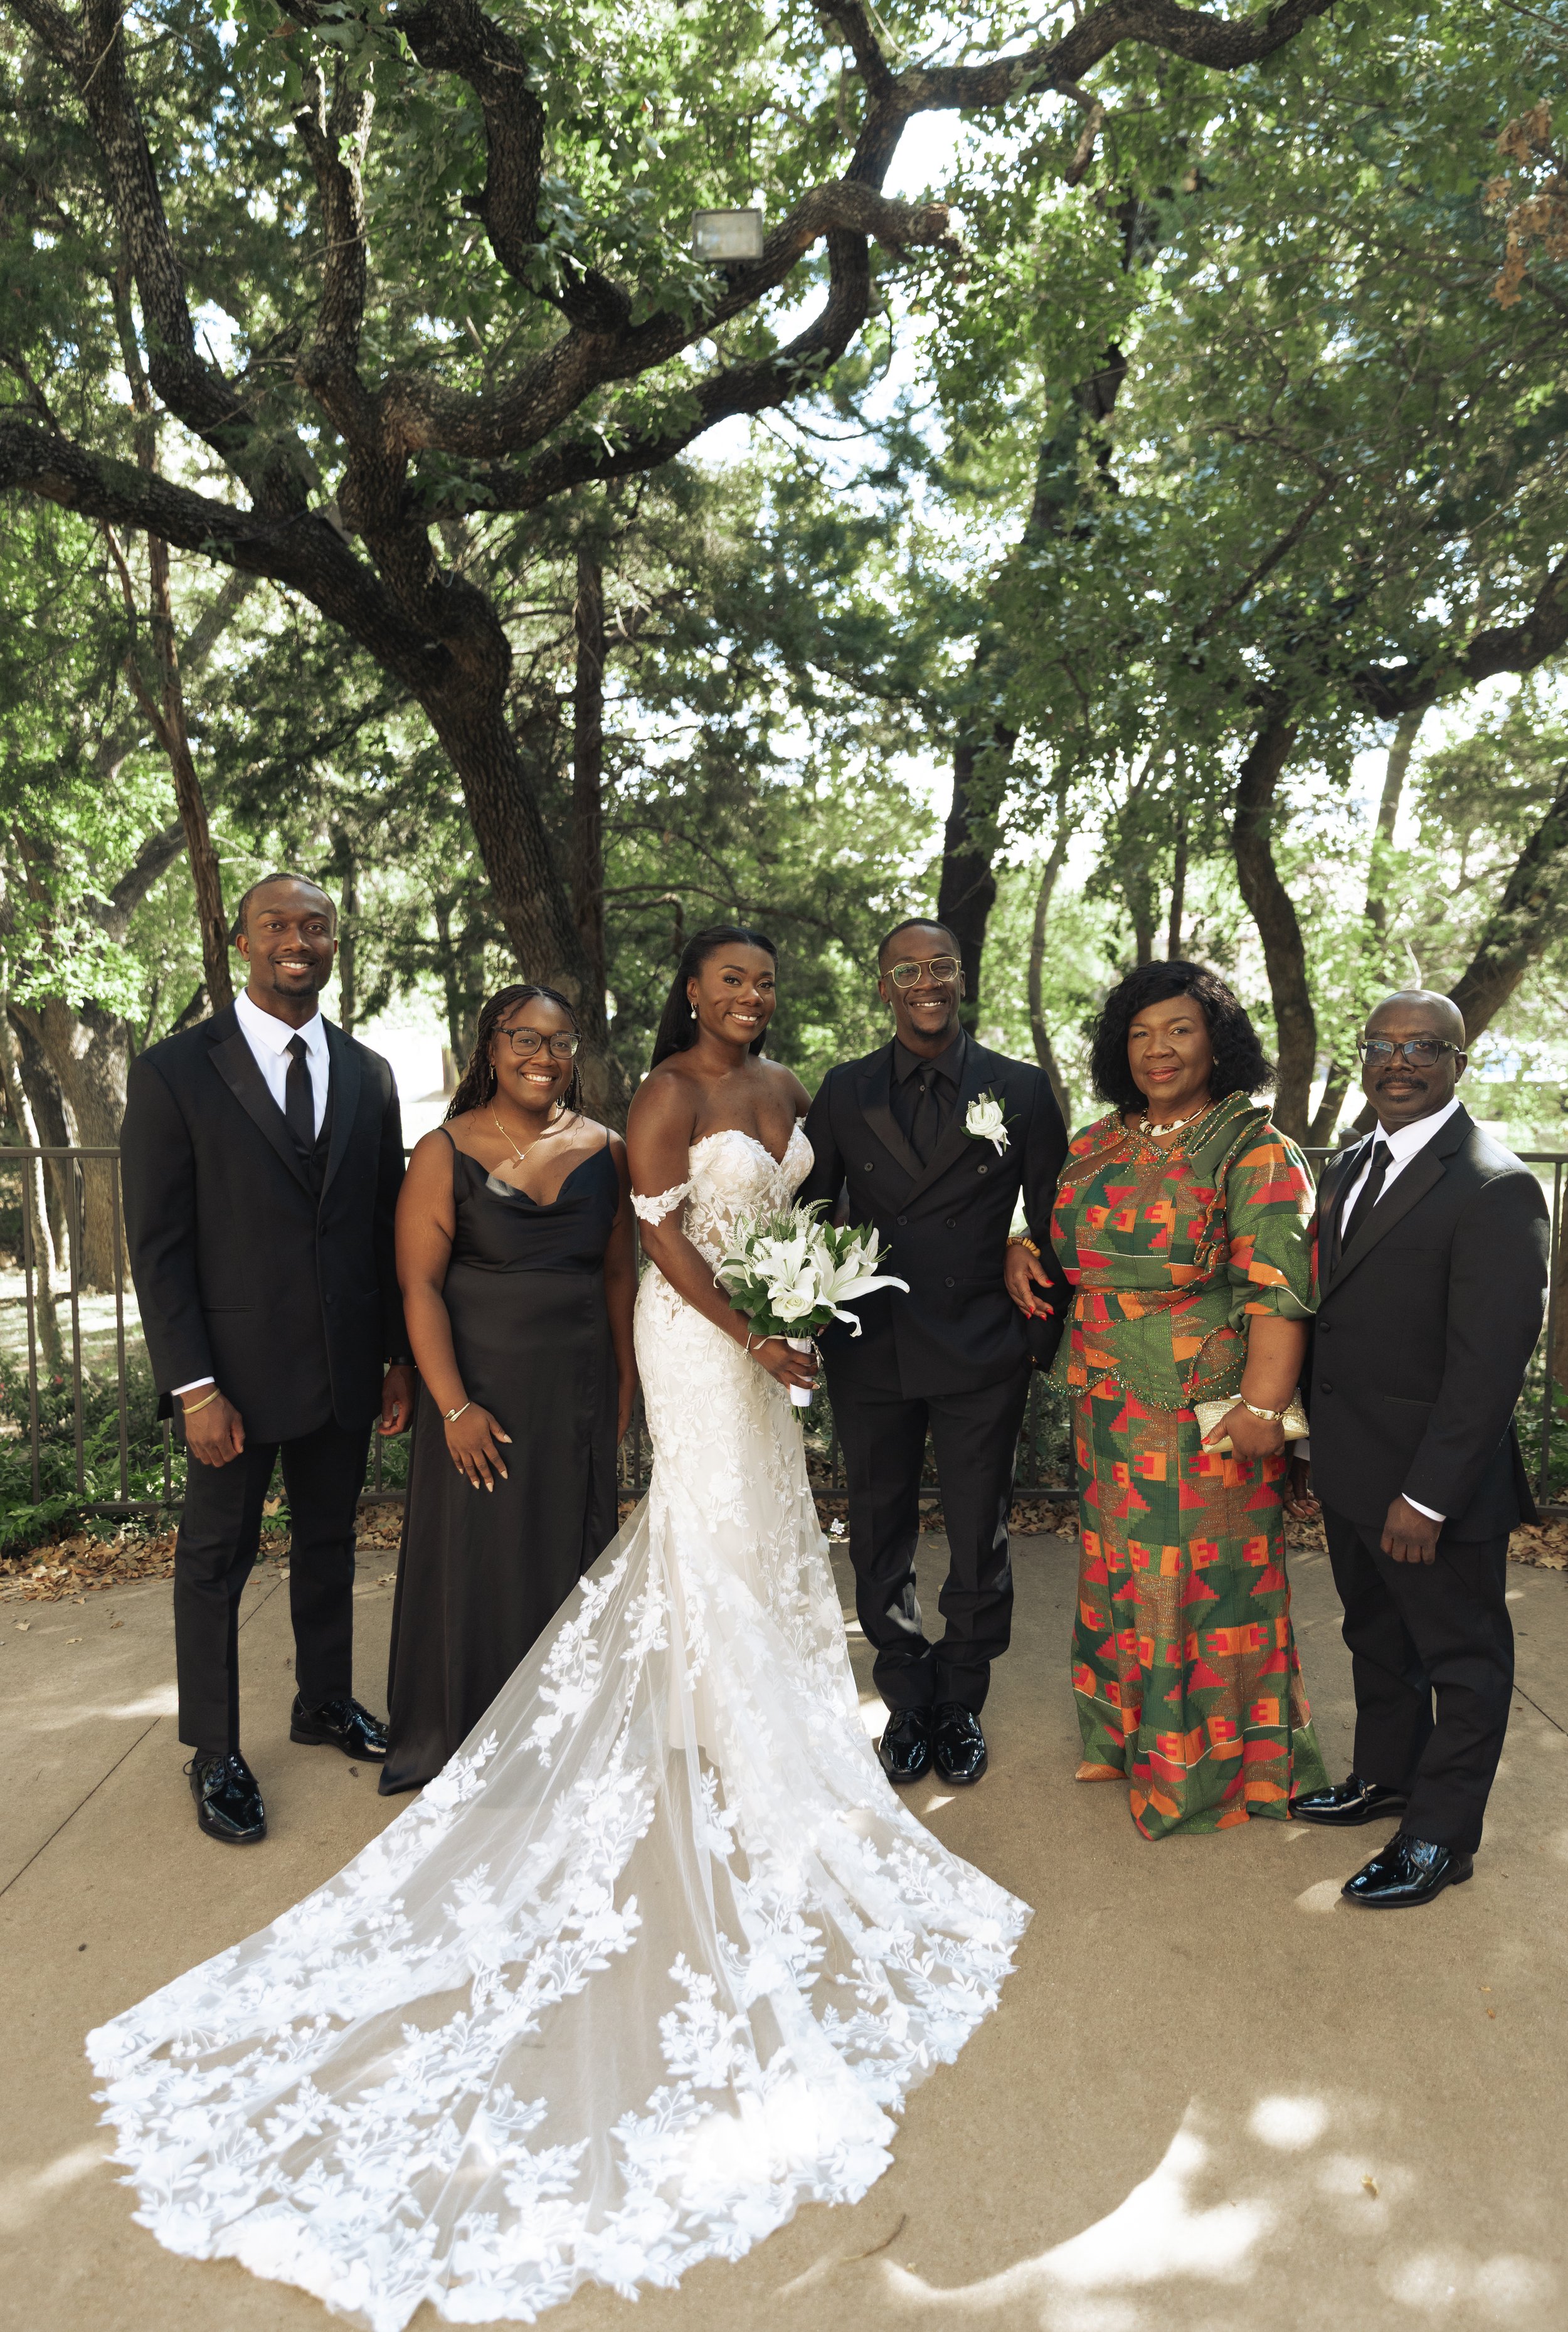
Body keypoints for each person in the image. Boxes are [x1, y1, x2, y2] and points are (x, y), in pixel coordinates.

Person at [88, 923, 1028, 2329]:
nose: (748, 998)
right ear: (687, 996)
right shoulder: (644, 1099)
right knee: (687, 1542)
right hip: (695, 1345)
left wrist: (812, 1309)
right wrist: (740, 1338)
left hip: (734, 1355)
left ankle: (747, 1731)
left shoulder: (789, 1095)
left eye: (763, 982)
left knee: (758, 1543)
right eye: (726, 980)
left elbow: (785, 1225)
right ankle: (273, 1740)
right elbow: (645, 1247)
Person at [120, 872, 414, 1845]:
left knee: (329, 1548)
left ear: (336, 942)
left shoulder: (368, 1072)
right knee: (215, 1562)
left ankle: (323, 1702)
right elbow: (158, 1245)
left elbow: (381, 1228)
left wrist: (396, 1361)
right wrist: (193, 1384)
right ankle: (214, 1750)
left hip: (340, 1371)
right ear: (239, 939)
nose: (298, 939)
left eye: (315, 925)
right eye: (277, 924)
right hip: (230, 1382)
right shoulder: (173, 1072)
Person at [1011, 960, 1328, 1840]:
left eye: (1180, 1030)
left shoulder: (1253, 1148)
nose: (1159, 1049)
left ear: (1217, 1042)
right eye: (1142, 1033)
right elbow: (1062, 1238)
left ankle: (1216, 1774)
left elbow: (1280, 1291)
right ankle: (1126, 1743)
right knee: (1120, 1580)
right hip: (1108, 1411)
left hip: (1209, 1416)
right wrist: (1017, 1245)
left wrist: (1265, 1410)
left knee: (1206, 1594)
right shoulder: (1099, 1142)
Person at [1291, 992, 1549, 1907]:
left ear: (1458, 1064)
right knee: (1376, 1637)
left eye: (1423, 1047)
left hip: (1431, 1488)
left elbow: (1488, 1368)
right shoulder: (1352, 1161)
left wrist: (1430, 1496)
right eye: (1382, 1046)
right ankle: (1386, 1776)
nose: (1398, 1062)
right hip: (1354, 1469)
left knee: (1464, 1660)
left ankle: (1441, 1834)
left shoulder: (1497, 1185)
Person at [801, 919, 1067, 1788]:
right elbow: (811, 1211)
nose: (926, 981)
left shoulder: (1020, 1089)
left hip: (979, 1344)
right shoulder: (843, 1090)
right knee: (878, 1526)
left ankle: (961, 1697)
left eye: (940, 966)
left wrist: (1028, 1304)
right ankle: (905, 1697)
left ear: (962, 978)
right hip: (871, 1346)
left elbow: (1058, 1219)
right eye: (906, 969)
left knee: (978, 1529)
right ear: (883, 986)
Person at [378, 985, 637, 1795]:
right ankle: (467, 1734)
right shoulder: (441, 1149)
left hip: (578, 1392)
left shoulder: (610, 1148)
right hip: (478, 1393)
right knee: (479, 1561)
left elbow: (620, 1275)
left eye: (560, 1042)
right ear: (490, 1047)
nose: (543, 1056)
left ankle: (561, 1733)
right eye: (524, 1038)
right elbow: (418, 1287)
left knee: (567, 1555)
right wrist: (453, 1405)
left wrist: (626, 1390)